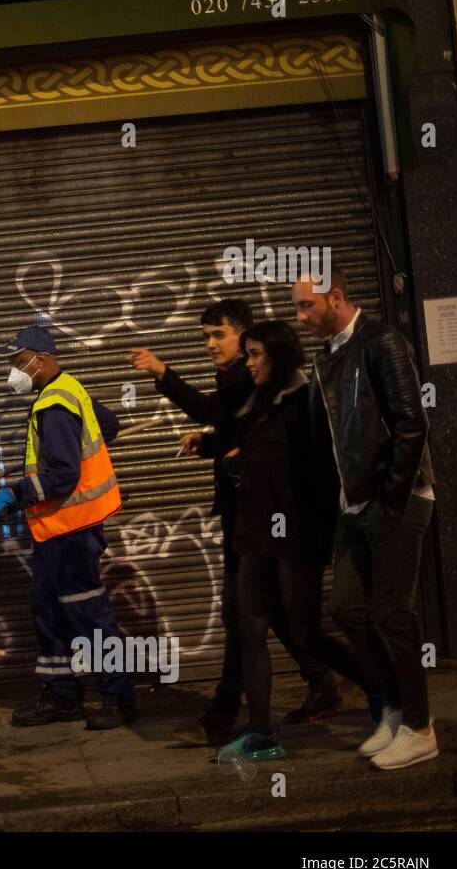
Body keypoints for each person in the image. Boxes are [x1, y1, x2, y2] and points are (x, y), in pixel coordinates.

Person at [129, 300, 339, 746]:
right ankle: (321, 681)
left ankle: (224, 715)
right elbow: (231, 432)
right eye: (205, 336)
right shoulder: (240, 378)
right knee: (264, 612)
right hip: (246, 513)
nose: (209, 344)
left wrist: (164, 374)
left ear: (245, 337)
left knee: (241, 615)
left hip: (262, 515)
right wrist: (209, 446)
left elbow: (226, 424)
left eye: (217, 335)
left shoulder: (253, 377)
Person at [293, 270, 438, 770]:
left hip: (396, 498)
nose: (300, 317)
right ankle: (396, 710)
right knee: (348, 608)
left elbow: (410, 421)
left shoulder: (382, 342)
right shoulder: (327, 356)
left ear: (335, 298)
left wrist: (392, 497)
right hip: (352, 503)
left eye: (306, 306)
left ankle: (421, 728)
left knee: (393, 613)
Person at [213, 321, 368, 763]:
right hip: (253, 532)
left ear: (279, 355)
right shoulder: (257, 404)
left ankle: (382, 693)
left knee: (306, 632)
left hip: (295, 534)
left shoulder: (307, 401)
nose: (250, 361)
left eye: (257, 353)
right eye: (247, 353)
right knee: (250, 628)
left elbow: (322, 473)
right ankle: (261, 735)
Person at [0, 324, 135, 729]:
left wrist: (14, 495)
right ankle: (62, 695)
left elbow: (64, 475)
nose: (13, 373)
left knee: (89, 614)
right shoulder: (71, 388)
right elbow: (111, 425)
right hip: (56, 530)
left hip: (72, 529)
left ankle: (118, 698)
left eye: (18, 363)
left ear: (42, 359)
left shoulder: (53, 405)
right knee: (48, 609)